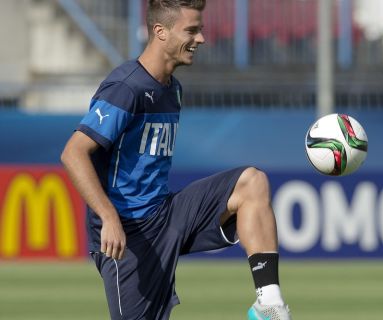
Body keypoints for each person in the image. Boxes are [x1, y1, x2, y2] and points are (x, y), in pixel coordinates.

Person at [61, 1, 292, 319]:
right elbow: (73, 153)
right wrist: (109, 217)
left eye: (201, 30)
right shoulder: (126, 88)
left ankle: (269, 304)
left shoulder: (173, 90)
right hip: (128, 236)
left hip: (165, 214)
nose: (201, 39)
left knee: (252, 183)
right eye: (192, 31)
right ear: (161, 32)